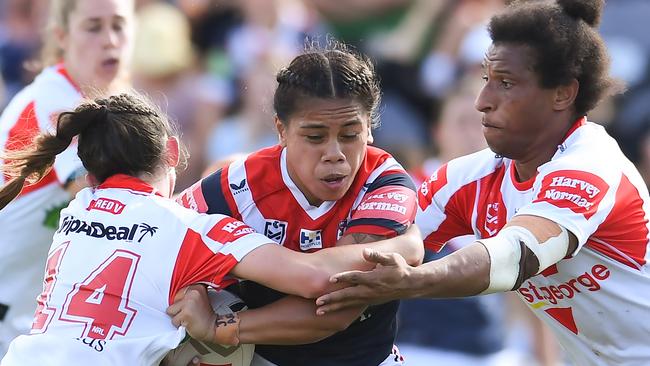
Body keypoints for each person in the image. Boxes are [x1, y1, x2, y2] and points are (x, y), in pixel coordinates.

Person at [315, 1, 650, 365]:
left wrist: (413, 280)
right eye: (486, 80)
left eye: (505, 83)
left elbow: (513, 257)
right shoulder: (467, 179)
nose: (482, 101)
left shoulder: (590, 165)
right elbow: (365, 249)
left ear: (563, 94)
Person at [0, 93, 421, 366]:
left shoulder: (77, 211)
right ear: (171, 151)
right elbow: (318, 279)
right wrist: (407, 243)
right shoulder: (192, 231)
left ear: (91, 173)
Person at [173, 45, 422, 366]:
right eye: (315, 137)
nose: (335, 153)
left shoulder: (386, 184)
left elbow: (332, 309)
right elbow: (156, 245)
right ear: (281, 130)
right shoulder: (238, 185)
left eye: (350, 134)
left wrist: (220, 327)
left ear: (369, 129)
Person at [0, 0, 134, 355]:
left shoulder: (108, 103)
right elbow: (116, 201)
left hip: (25, 317)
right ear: (61, 36)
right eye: (93, 27)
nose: (109, 40)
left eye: (119, 25)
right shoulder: (54, 103)